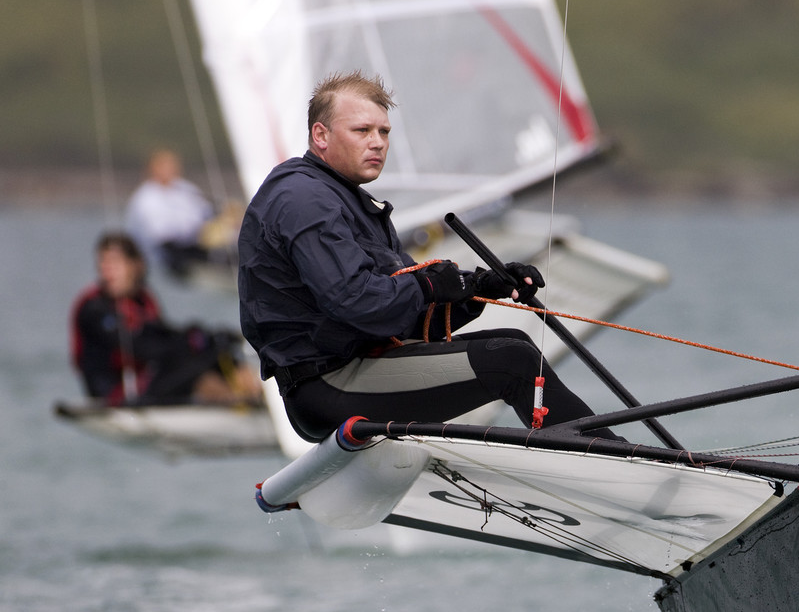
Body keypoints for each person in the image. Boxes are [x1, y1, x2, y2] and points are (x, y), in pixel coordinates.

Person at [237, 71, 614, 443]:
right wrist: (428, 285)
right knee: (513, 360)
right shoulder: (303, 198)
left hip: (360, 368)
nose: (377, 143)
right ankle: (611, 458)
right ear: (321, 135)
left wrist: (480, 286)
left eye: (384, 132)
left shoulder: (346, 199)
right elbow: (356, 301)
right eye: (362, 130)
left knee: (516, 343)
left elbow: (409, 319)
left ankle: (602, 452)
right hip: (326, 386)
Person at [70, 232, 261, 406]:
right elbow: (142, 347)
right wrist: (193, 344)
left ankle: (255, 394)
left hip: (148, 382)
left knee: (216, 350)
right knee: (193, 363)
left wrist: (206, 338)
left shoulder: (142, 300)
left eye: (115, 264)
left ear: (136, 266)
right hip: (116, 395)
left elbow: (161, 333)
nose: (107, 272)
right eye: (103, 264)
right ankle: (236, 403)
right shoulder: (94, 308)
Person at [125, 149, 214, 277]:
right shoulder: (145, 198)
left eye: (173, 166)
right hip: (161, 256)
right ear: (153, 169)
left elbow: (206, 212)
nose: (170, 170)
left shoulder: (186, 188)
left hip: (193, 248)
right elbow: (161, 233)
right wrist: (200, 232)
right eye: (165, 166)